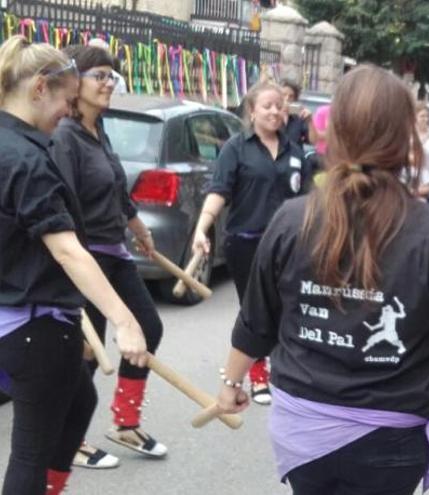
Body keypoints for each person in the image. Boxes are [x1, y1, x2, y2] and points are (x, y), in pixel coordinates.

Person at [212, 64, 429, 494]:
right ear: (406, 138)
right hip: (390, 442)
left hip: (303, 430)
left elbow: (256, 321)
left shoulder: (291, 219)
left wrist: (230, 384)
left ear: (333, 132)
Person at [0, 35, 147, 495]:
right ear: (40, 88)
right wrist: (125, 321)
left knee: (79, 399)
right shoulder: (26, 158)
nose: (68, 111)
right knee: (31, 452)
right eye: (66, 99)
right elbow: (66, 250)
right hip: (32, 324)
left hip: (26, 316)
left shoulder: (13, 143)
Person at [50, 45, 167, 468]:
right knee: (86, 351)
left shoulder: (99, 130)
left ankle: (125, 422)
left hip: (115, 252)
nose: (107, 83)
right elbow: (62, 203)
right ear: (75, 81)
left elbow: (117, 190)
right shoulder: (65, 137)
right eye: (99, 74)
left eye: (111, 76)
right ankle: (71, 438)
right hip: (86, 257)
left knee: (147, 329)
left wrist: (138, 227)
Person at [193, 82, 311, 406]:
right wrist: (202, 228)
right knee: (255, 309)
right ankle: (258, 376)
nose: (275, 112)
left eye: (279, 106)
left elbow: (307, 200)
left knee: (289, 306)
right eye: (267, 106)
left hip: (289, 246)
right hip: (247, 243)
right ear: (252, 111)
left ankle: (285, 371)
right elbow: (219, 190)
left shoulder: (295, 151)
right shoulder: (236, 148)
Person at [279, 78, 311, 147]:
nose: (287, 98)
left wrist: (310, 121)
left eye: (291, 96)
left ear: (294, 99)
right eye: (284, 94)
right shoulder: (272, 116)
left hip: (294, 156)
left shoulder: (298, 117)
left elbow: (311, 140)